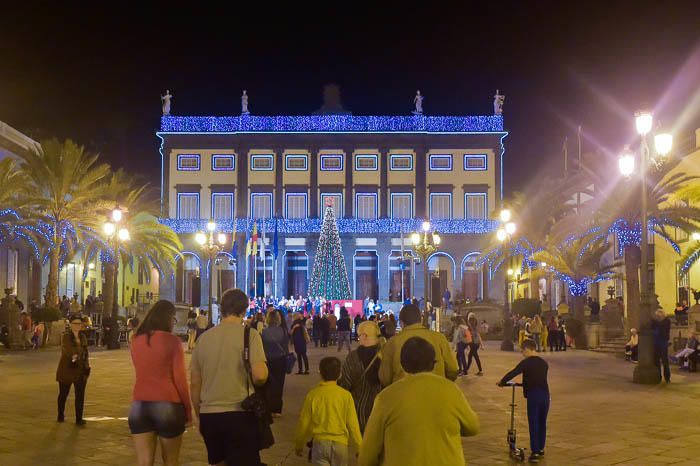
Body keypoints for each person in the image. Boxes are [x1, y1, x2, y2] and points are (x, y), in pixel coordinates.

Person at [359, 337, 480, 466]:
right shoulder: (451, 390)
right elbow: (473, 427)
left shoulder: (386, 397)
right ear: (433, 363)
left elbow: (368, 453)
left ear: (402, 364)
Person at [190, 288, 269, 466]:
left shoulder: (204, 339)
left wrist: (199, 414)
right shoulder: (250, 335)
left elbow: (195, 383)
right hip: (239, 414)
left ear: (222, 308)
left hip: (210, 415)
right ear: (244, 310)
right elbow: (259, 376)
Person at [129, 301, 191, 466]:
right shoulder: (173, 342)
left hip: (139, 405)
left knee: (143, 461)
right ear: (168, 318)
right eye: (173, 319)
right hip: (168, 404)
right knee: (170, 461)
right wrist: (188, 409)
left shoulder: (136, 341)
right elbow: (180, 379)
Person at [295, 357, 362, 465]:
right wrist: (359, 447)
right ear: (340, 374)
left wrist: (299, 444)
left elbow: (303, 422)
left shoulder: (313, 395)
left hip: (319, 444)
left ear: (320, 373)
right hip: (341, 444)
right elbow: (353, 424)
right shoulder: (346, 396)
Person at [379, 304, 459, 386]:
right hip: (435, 392)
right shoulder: (439, 338)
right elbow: (453, 369)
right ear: (420, 320)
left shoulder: (391, 343)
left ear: (401, 323)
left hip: (403, 395)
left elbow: (385, 378)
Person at [498, 339, 549, 463]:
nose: (522, 352)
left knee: (534, 423)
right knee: (542, 422)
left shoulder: (526, 363)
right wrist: (524, 384)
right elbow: (536, 378)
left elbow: (513, 373)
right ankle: (541, 448)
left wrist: (502, 382)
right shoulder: (544, 363)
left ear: (527, 348)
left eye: (522, 350)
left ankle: (535, 452)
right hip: (545, 395)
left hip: (534, 395)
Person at [338, 321, 383, 434]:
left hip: (359, 410)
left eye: (359, 336)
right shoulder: (386, 354)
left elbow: (345, 384)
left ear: (364, 336)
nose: (358, 339)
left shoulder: (353, 358)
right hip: (381, 410)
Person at [56, 314, 90, 425]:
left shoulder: (83, 337)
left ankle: (79, 418)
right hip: (67, 369)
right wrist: (75, 355)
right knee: (63, 393)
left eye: (79, 324)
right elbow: (68, 350)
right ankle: (60, 414)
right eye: (75, 323)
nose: (77, 326)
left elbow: (85, 352)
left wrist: (86, 365)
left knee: (80, 395)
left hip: (80, 369)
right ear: (70, 324)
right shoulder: (66, 336)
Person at [261, 310, 289, 417]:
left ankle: (267, 407)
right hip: (280, 360)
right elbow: (286, 348)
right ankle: (277, 409)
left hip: (267, 360)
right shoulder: (283, 331)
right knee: (279, 385)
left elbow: (262, 347)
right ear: (278, 319)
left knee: (268, 384)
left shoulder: (264, 332)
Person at [652, 309, 671, 383]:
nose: (658, 317)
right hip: (656, 343)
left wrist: (656, 322)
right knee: (656, 361)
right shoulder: (656, 323)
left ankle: (667, 377)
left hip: (663, 343)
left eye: (659, 315)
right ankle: (658, 377)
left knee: (665, 361)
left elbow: (664, 329)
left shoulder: (666, 321)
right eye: (657, 315)